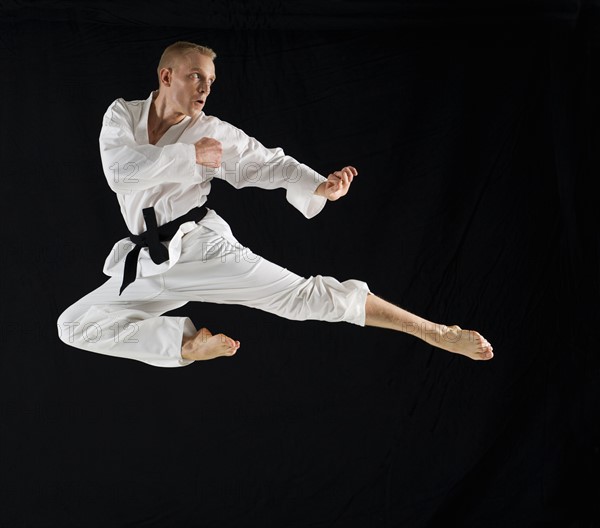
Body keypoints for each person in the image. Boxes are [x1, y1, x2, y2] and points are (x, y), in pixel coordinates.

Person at [57, 41, 493, 368]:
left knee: (303, 298)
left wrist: (319, 186)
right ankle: (186, 345)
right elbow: (122, 172)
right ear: (166, 76)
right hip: (146, 263)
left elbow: (268, 164)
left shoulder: (212, 131)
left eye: (211, 81)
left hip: (199, 248)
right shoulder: (122, 116)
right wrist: (191, 156)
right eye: (196, 76)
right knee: (74, 324)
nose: (206, 88)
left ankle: (434, 331)